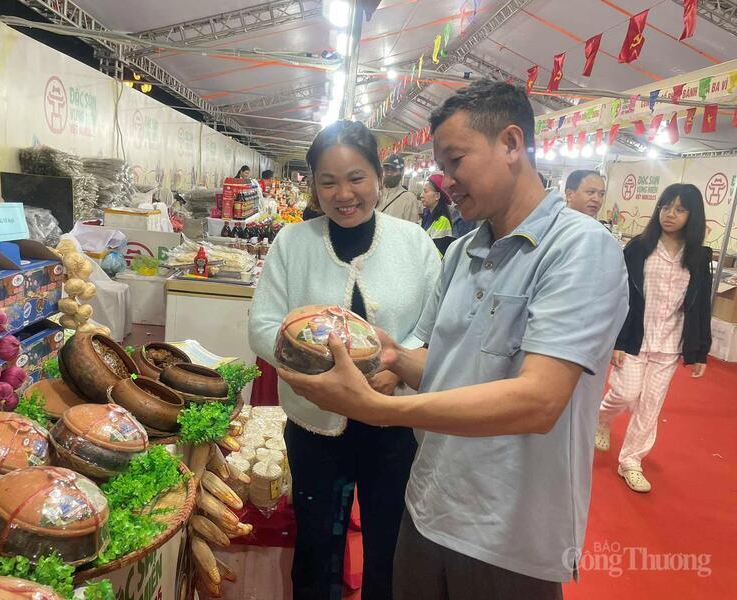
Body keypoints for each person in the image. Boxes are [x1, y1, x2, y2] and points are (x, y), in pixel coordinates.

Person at [276, 80, 629, 599]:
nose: (446, 179)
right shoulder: (463, 252)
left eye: (456, 160)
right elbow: (441, 367)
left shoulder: (579, 249)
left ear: (511, 144)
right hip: (428, 507)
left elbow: (539, 400)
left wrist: (383, 410)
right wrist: (390, 354)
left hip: (506, 534)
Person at [248, 120, 441, 600]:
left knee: (391, 548)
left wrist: (396, 366)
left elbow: (435, 321)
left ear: (379, 175)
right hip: (317, 426)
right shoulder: (292, 244)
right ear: (312, 185)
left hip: (394, 423)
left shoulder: (413, 242)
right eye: (327, 181)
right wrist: (320, 374)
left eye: (356, 177)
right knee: (316, 548)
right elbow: (262, 325)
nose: (343, 193)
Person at [596, 183, 711, 493]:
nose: (670, 214)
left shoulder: (699, 257)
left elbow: (701, 307)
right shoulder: (638, 248)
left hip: (669, 345)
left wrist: (700, 351)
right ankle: (602, 418)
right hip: (635, 338)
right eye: (666, 206)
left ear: (693, 215)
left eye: (679, 209)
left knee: (650, 406)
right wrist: (617, 340)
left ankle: (631, 461)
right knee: (626, 393)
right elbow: (619, 296)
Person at [420, 173, 456, 255]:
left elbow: (438, 254)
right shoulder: (427, 216)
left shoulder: (442, 221)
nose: (421, 195)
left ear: (437, 196)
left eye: (425, 191)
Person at [378, 155, 420, 223]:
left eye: (393, 170)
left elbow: (411, 228)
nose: (389, 173)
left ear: (402, 172)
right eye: (386, 170)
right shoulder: (376, 194)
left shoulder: (409, 198)